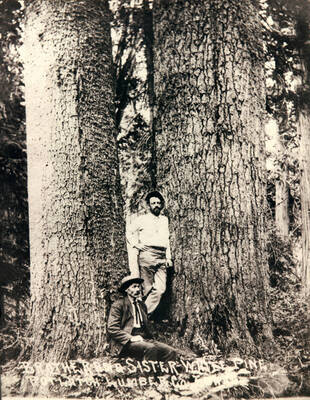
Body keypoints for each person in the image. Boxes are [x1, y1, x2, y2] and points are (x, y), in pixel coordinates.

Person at [107, 275, 177, 361]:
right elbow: (112, 328)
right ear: (126, 290)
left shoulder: (142, 305)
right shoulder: (118, 305)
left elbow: (146, 326)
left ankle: (164, 373)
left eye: (138, 286)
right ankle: (147, 373)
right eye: (134, 287)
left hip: (144, 338)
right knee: (151, 348)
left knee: (170, 351)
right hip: (126, 342)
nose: (137, 289)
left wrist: (151, 338)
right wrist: (130, 338)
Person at [126, 191, 172, 316]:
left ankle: (142, 315)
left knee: (160, 289)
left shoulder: (164, 220)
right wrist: (136, 244)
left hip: (161, 256)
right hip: (147, 255)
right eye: (153, 203)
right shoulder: (142, 219)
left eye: (158, 203)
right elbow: (129, 231)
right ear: (148, 205)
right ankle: (139, 318)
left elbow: (167, 239)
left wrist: (168, 257)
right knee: (146, 289)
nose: (156, 205)